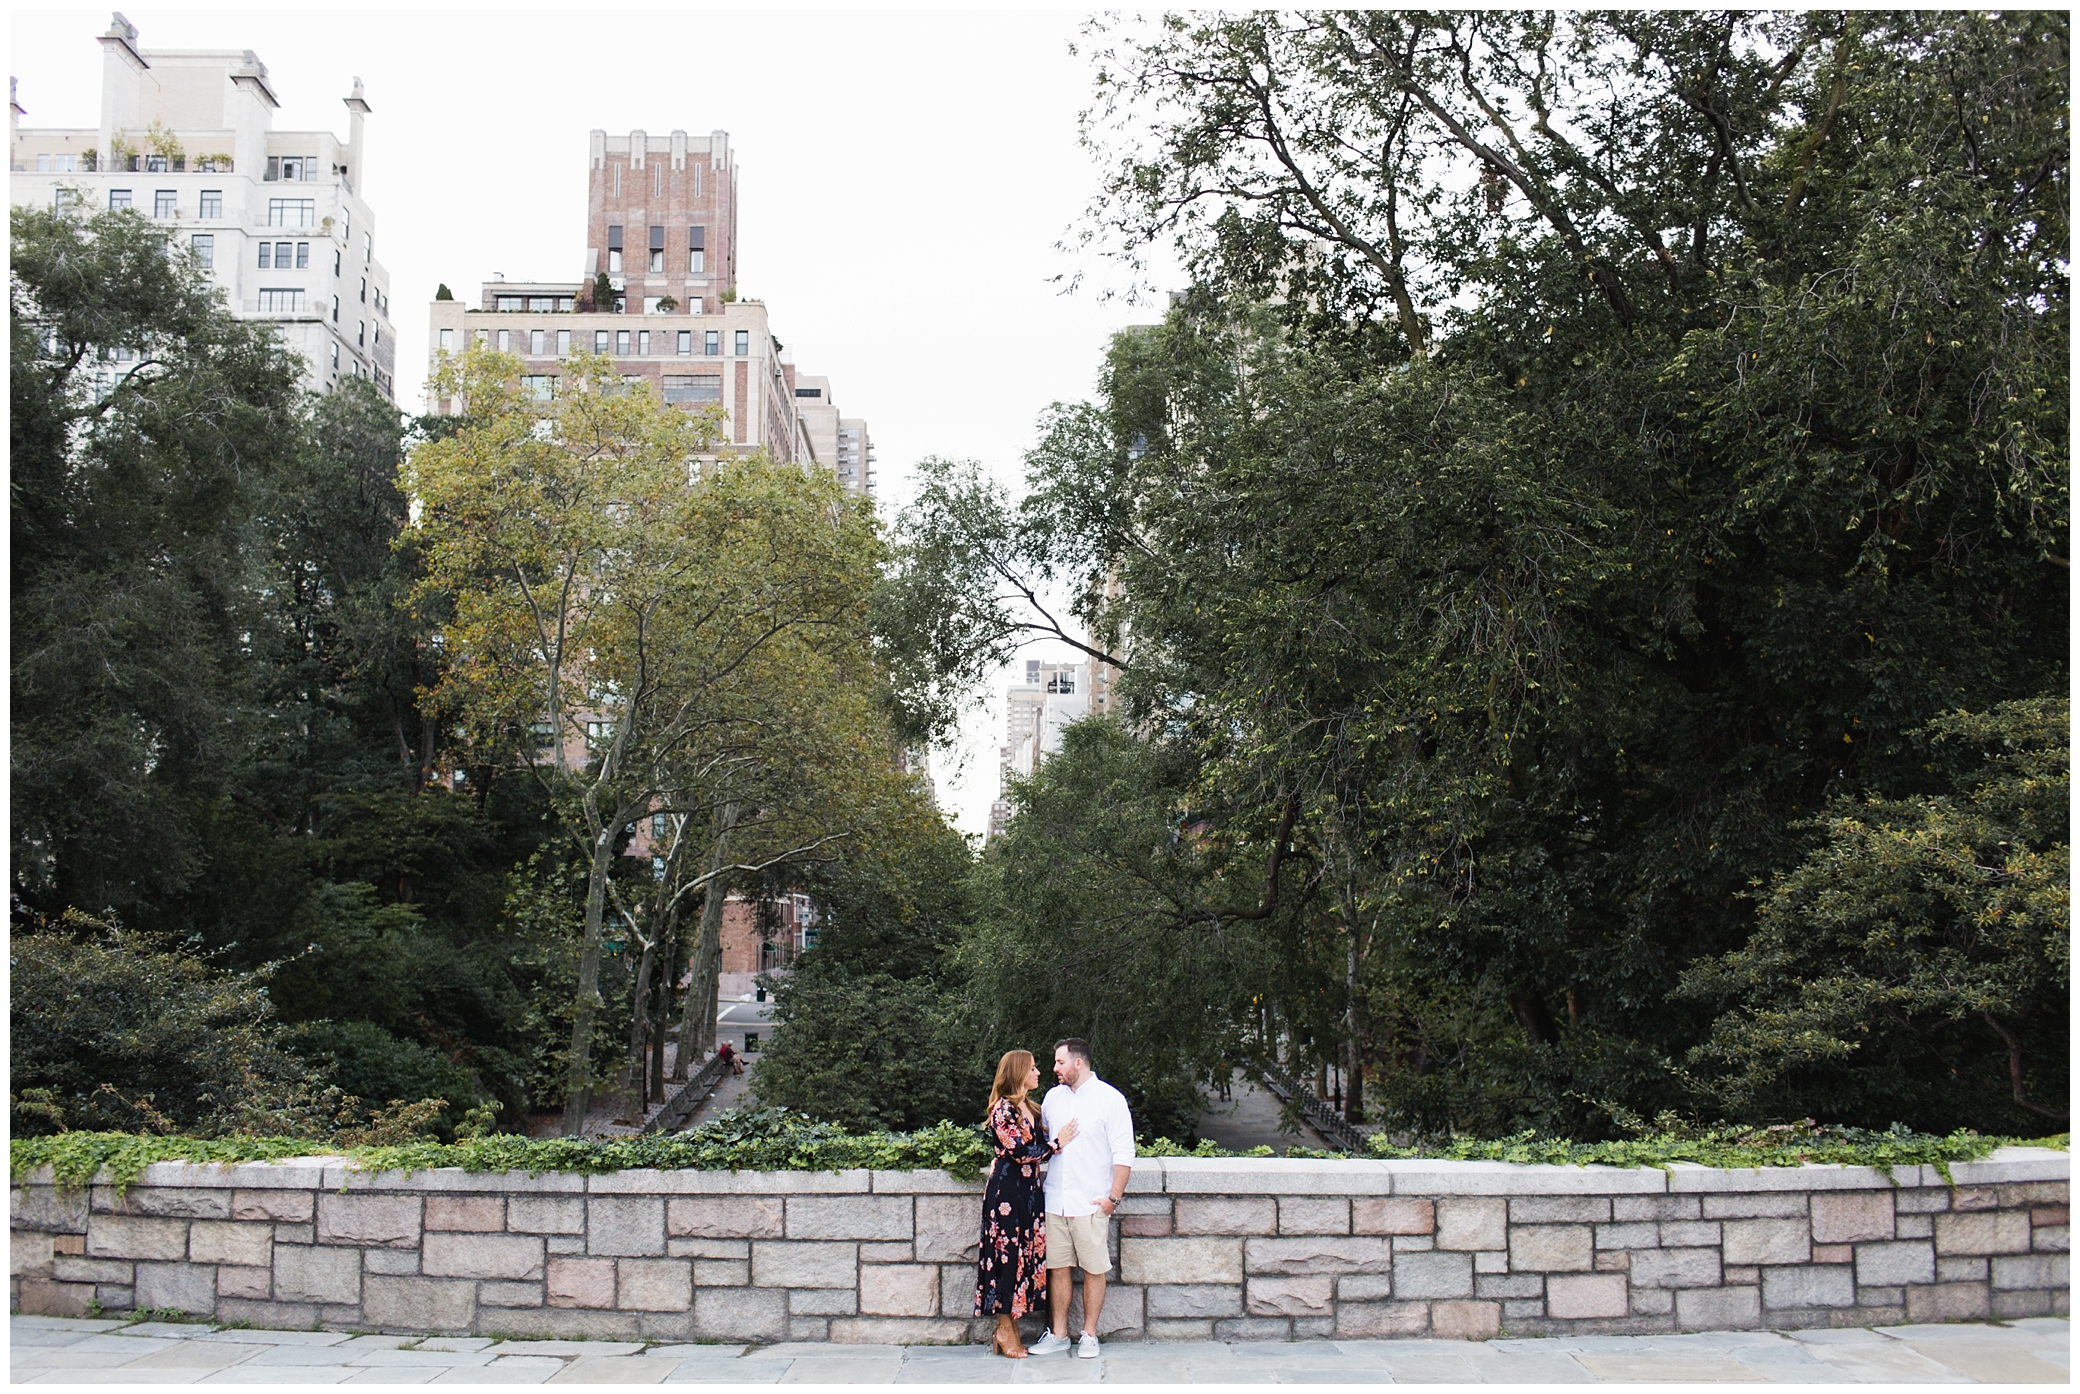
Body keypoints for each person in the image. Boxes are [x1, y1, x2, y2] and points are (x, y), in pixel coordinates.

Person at [1031, 1038, 1135, 1359]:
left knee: (1093, 1269)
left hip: (1091, 1202)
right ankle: (1059, 1334)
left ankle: (1089, 1334)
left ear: (1078, 1063)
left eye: (1060, 1062)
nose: (1054, 1068)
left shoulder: (1110, 1100)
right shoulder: (1052, 1098)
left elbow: (1123, 1153)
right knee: (1058, 1268)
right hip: (1055, 1201)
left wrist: (1112, 1199)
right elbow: (1043, 1142)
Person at [975, 1049, 1076, 1358]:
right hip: (1006, 1194)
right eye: (1032, 1069)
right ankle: (1005, 1329)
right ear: (1018, 1073)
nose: (1038, 1073)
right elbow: (1020, 1152)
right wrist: (1057, 1143)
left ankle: (1011, 1327)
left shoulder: (1029, 1107)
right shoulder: (1002, 1109)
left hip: (1029, 1193)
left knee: (1022, 1257)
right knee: (1006, 1258)